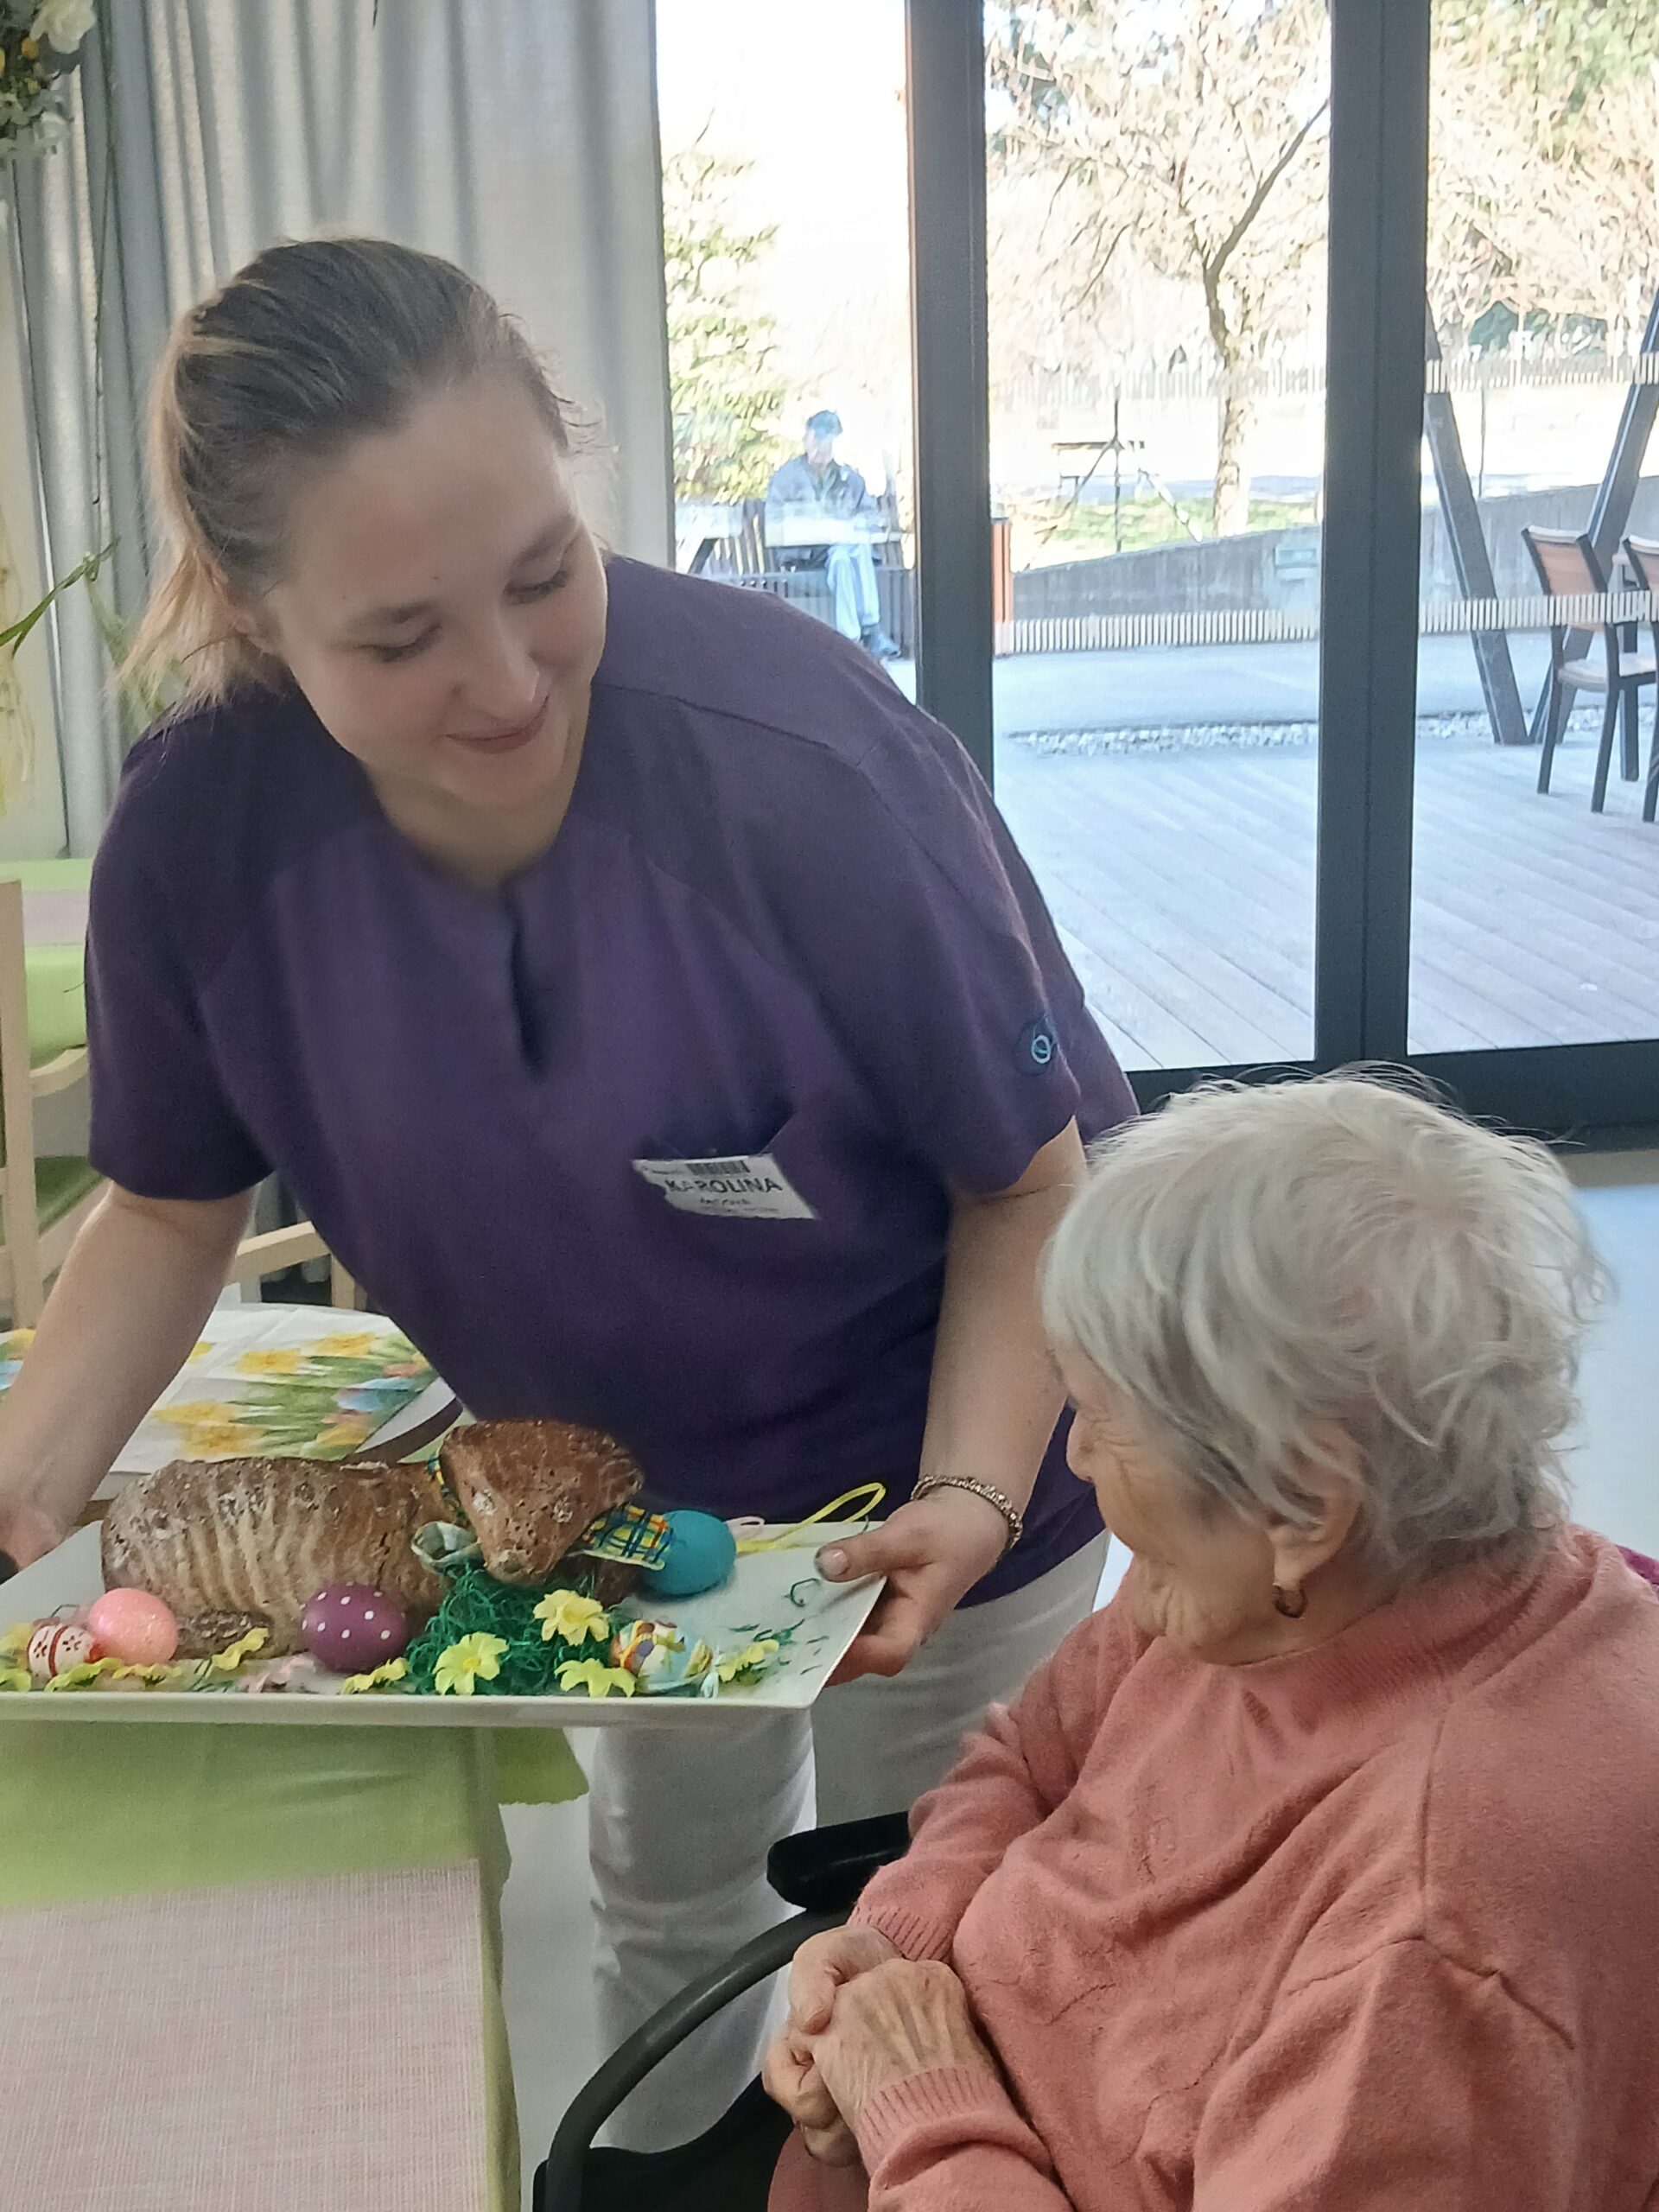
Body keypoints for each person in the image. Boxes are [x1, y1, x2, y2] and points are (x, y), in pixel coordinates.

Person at [0, 238, 1135, 2146]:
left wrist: (966, 1495)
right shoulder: (202, 840)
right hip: (614, 1500)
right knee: (677, 1903)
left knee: (936, 1930)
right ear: (258, 615)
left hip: (968, 1445)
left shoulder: (800, 762)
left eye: (546, 574)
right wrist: (25, 1475)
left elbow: (1027, 1186)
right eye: (400, 639)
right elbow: (173, 1208)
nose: (510, 680)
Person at [766, 1076, 1659, 2211]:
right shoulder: (1276, 1582)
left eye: (1104, 1419)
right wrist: (901, 1938)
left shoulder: (1436, 1945)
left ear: (1303, 1503)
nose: (1075, 1458)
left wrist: (919, 2098)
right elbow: (1032, 1757)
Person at [765, 410, 899, 659]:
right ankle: (871, 629)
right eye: (817, 439)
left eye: (827, 440)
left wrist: (851, 526)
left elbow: (871, 520)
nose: (821, 447)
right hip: (805, 557)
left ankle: (852, 638)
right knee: (847, 549)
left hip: (843, 557)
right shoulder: (786, 477)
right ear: (806, 440)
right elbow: (774, 524)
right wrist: (813, 525)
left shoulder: (851, 479)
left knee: (844, 555)